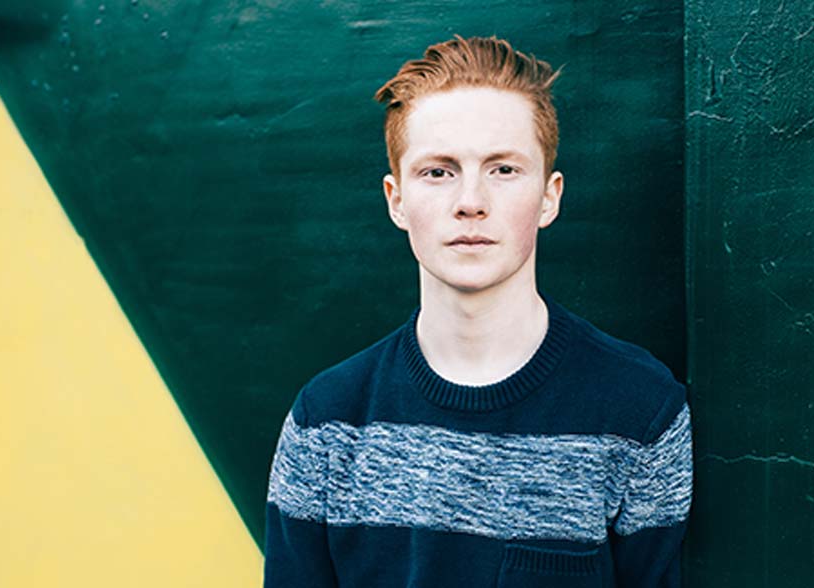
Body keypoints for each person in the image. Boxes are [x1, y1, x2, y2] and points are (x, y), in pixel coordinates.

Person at [263, 35, 692, 587]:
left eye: (503, 169)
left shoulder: (639, 414)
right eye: (438, 171)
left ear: (548, 197)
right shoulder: (326, 424)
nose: (470, 201)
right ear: (396, 199)